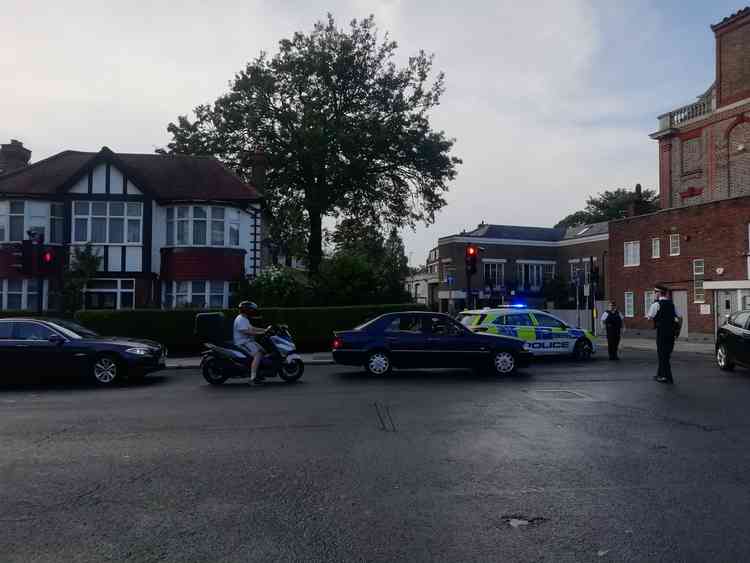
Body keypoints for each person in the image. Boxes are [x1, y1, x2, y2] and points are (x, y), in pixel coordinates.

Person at [646, 284, 680, 384]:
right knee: (666, 355)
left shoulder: (656, 305)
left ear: (659, 293)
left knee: (662, 355)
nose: (654, 294)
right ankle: (660, 374)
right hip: (672, 333)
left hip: (662, 333)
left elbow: (650, 317)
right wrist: (677, 332)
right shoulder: (672, 304)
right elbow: (679, 317)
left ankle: (668, 377)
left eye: (655, 292)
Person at [233, 301, 269, 383]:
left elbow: (252, 328)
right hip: (243, 343)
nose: (253, 311)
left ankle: (258, 372)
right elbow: (246, 331)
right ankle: (253, 378)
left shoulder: (244, 318)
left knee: (263, 351)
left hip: (248, 341)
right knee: (258, 354)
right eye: (251, 310)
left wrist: (265, 330)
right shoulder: (240, 319)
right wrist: (261, 333)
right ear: (247, 310)